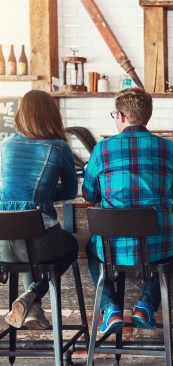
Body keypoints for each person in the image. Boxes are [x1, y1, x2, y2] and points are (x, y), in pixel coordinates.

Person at [83, 87, 173, 335]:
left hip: (112, 250)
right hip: (159, 246)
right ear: (147, 116)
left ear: (121, 116)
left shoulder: (102, 149)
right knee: (168, 250)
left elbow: (89, 194)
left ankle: (110, 308)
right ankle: (145, 305)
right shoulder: (170, 149)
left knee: (92, 250)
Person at [0, 90, 79, 330]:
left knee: (30, 253)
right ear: (52, 116)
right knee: (70, 247)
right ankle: (31, 295)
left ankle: (33, 310)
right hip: (37, 242)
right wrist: (44, 196)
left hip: (2, 246)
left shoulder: (5, 144)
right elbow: (69, 193)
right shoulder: (59, 147)